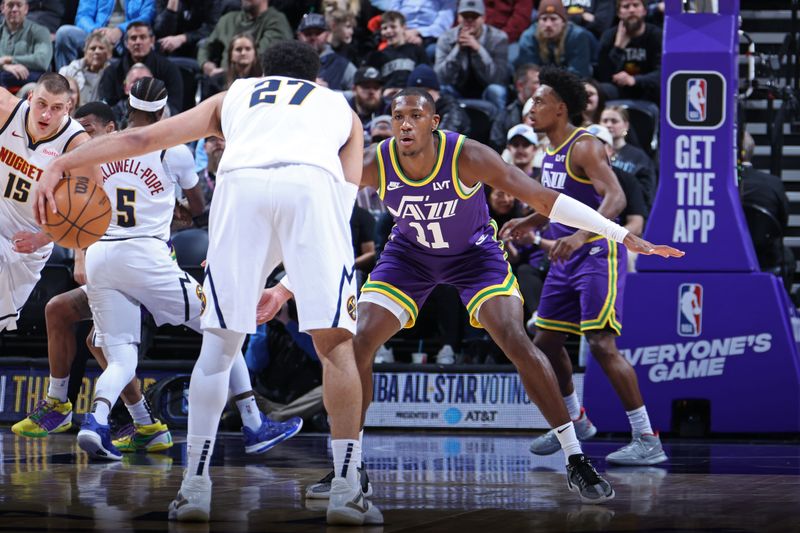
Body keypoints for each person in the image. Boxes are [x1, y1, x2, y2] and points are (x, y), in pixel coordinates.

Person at [260, 86, 683, 502]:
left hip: (474, 255)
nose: (405, 124)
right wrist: (274, 275)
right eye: (398, 116)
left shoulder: (468, 155)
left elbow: (544, 198)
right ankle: (349, 466)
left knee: (515, 338)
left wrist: (621, 234)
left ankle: (575, 457)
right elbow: (316, 217)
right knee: (357, 346)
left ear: (434, 122)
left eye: (415, 116)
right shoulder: (374, 162)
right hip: (410, 255)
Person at [34, 40, 380, 526]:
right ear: (315, 77)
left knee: (218, 346)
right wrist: (284, 288)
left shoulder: (233, 95)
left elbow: (140, 140)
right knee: (335, 347)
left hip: (240, 188)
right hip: (314, 188)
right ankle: (346, 489)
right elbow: (337, 210)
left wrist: (61, 164)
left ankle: (194, 487)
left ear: (263, 70)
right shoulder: (340, 108)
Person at [502, 66, 669, 466]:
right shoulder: (550, 151)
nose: (532, 106)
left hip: (596, 255)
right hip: (564, 257)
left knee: (601, 344)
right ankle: (576, 419)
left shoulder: (586, 145)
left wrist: (581, 236)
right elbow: (555, 201)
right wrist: (530, 221)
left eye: (539, 101)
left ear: (560, 109)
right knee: (545, 342)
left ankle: (647, 437)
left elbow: (614, 200)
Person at [0, 73, 95, 333]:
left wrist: (42, 239)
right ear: (29, 97)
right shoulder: (5, 109)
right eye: (41, 104)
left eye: (56, 108)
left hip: (29, 241)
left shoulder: (78, 145)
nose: (46, 115)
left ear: (68, 108)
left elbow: (85, 212)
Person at [434, 0, 510, 114]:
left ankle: (498, 128)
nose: (469, 21)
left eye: (474, 16)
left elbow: (499, 78)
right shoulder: (446, 38)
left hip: (486, 90)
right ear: (458, 18)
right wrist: (457, 50)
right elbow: (440, 78)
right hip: (456, 90)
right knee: (440, 90)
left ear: (483, 18)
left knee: (497, 91)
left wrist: (479, 49)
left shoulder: (498, 38)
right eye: (465, 16)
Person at [97, 22, 184, 115]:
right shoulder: (112, 71)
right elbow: (105, 107)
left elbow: (174, 106)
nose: (138, 42)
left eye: (143, 37)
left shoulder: (169, 69)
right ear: (126, 43)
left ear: (152, 41)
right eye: (133, 38)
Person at [196, 0, 293, 81]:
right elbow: (206, 46)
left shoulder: (276, 20)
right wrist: (206, 64)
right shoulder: (228, 19)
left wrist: (227, 72)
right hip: (222, 80)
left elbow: (261, 55)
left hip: (256, 82)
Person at [54, 0, 157, 70]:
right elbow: (83, 15)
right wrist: (95, 31)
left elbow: (147, 15)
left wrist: (120, 30)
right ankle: (66, 85)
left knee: (139, 38)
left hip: (128, 34)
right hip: (97, 32)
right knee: (64, 33)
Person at [596, 0, 661, 104]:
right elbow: (604, 76)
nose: (631, 10)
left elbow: (661, 72)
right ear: (618, 13)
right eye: (626, 7)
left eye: (635, 5)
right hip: (619, 90)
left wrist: (634, 80)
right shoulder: (609, 36)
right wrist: (618, 49)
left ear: (644, 11)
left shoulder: (656, 35)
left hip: (647, 89)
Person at [515, 0, 594, 77]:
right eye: (544, 19)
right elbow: (530, 72)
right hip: (539, 84)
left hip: (569, 84)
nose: (548, 24)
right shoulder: (529, 37)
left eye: (553, 19)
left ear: (563, 22)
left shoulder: (577, 35)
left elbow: (579, 72)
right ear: (538, 21)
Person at [601, 105, 656, 209]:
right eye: (605, 121)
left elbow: (647, 193)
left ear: (626, 125)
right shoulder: (593, 153)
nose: (608, 125)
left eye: (614, 121)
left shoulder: (639, 157)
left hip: (630, 210)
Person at [364, 11, 428, 98]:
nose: (389, 31)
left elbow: (426, 77)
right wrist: (383, 91)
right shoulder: (377, 56)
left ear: (404, 27)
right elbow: (372, 83)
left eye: (393, 26)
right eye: (384, 28)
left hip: (413, 98)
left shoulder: (417, 50)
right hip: (386, 100)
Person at [0, 0, 53, 89]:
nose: (14, 9)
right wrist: (5, 66)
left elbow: (42, 60)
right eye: (10, 5)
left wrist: (9, 59)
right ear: (2, 8)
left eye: (19, 5)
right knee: (4, 76)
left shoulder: (40, 31)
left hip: (29, 80)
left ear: (26, 8)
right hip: (4, 76)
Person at [296, 12, 356, 91]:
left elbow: (357, 95)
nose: (313, 37)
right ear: (298, 35)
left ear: (327, 34)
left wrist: (329, 92)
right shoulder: (290, 63)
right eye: (308, 33)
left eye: (318, 33)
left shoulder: (342, 65)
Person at [490, 63, 539, 152]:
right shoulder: (504, 117)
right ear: (520, 86)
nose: (540, 88)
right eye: (536, 83)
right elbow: (496, 148)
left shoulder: (549, 113)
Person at [59, 30, 113, 105]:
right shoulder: (68, 71)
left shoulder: (112, 75)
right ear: (85, 52)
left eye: (101, 48)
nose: (97, 52)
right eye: (92, 48)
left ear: (109, 53)